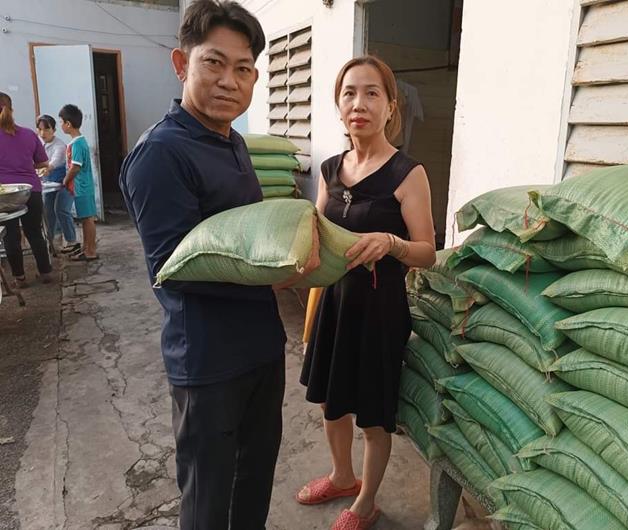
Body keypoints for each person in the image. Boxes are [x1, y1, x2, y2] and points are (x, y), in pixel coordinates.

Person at [119, 1, 317, 528]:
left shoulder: (233, 143)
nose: (229, 80)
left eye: (243, 68)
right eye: (214, 62)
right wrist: (281, 273)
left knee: (253, 481)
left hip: (261, 347)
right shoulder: (161, 154)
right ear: (181, 63)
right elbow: (173, 268)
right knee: (209, 500)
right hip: (207, 362)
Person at [297, 55, 437, 530]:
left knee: (373, 415)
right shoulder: (330, 169)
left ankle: (366, 502)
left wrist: (393, 243)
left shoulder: (407, 173)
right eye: (349, 93)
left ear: (391, 106)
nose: (359, 104)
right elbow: (317, 232)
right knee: (328, 399)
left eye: (372, 93)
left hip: (380, 310)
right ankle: (342, 476)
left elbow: (427, 252)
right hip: (334, 303)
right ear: (339, 106)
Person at [0, 92, 53, 287]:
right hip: (30, 190)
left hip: (5, 193)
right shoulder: (29, 134)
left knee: (11, 235)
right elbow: (43, 163)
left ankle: (20, 278)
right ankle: (46, 273)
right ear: (11, 109)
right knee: (34, 232)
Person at [59, 104, 97, 261]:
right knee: (85, 219)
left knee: (88, 219)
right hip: (81, 188)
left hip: (83, 188)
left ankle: (90, 251)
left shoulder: (77, 144)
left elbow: (75, 167)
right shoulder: (76, 142)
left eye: (61, 122)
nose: (60, 125)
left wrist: (65, 180)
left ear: (68, 124)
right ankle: (86, 248)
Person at [36, 114, 79, 253]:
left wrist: (44, 169)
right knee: (48, 212)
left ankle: (72, 241)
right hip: (48, 184)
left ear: (54, 130)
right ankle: (51, 242)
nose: (43, 133)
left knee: (61, 210)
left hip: (65, 182)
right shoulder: (38, 143)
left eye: (46, 129)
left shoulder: (60, 145)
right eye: (40, 129)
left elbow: (53, 163)